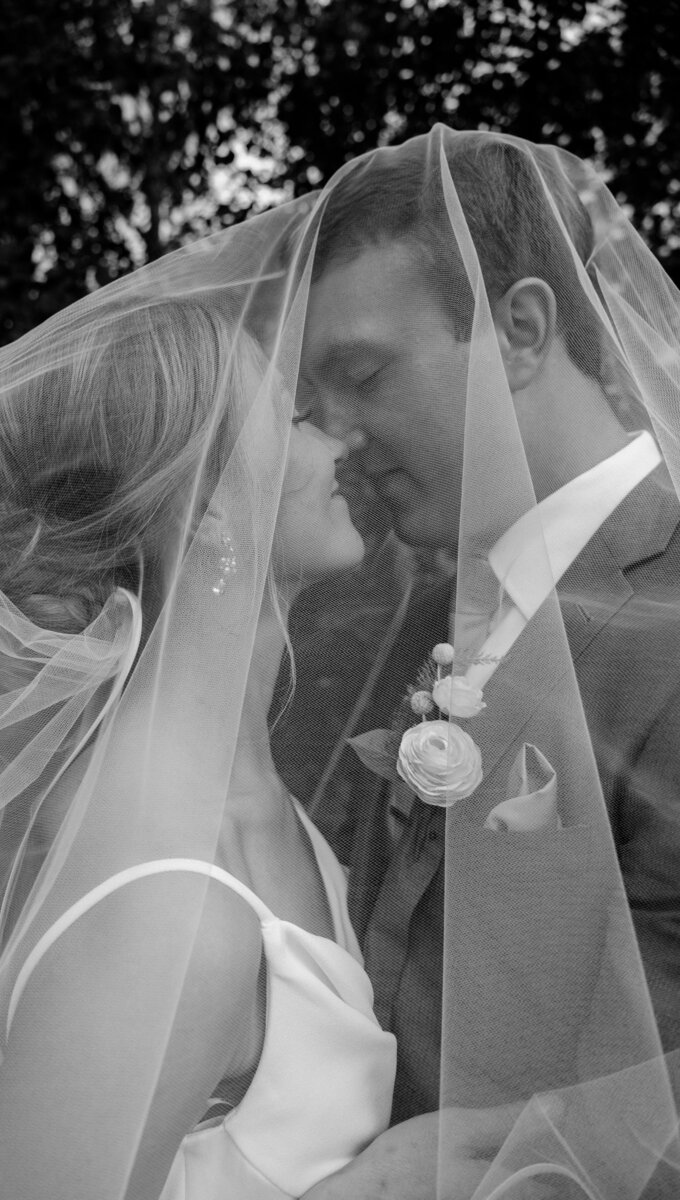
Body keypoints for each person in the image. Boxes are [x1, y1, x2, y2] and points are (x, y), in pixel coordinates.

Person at [0, 265, 529, 1198]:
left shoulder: (260, 808)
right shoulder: (166, 914)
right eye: (294, 419)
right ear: (212, 508)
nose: (335, 438)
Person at [300, 126, 680, 1191]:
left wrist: (454, 1162)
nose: (334, 433)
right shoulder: (443, 613)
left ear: (518, 330)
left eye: (361, 373)